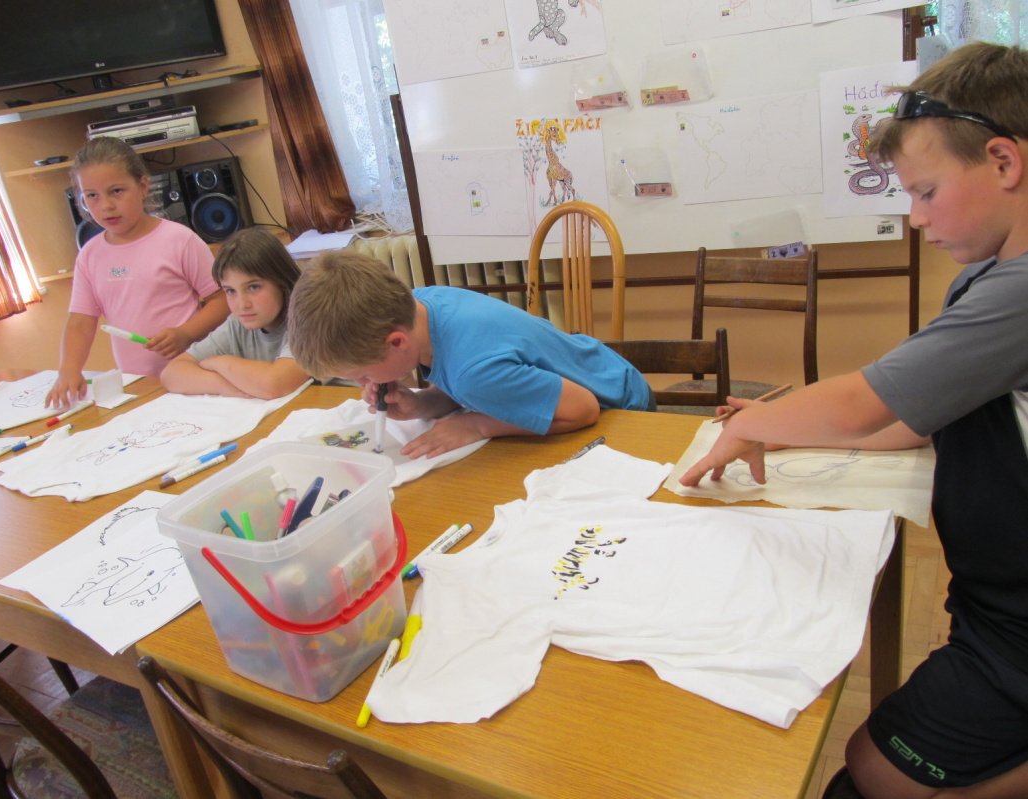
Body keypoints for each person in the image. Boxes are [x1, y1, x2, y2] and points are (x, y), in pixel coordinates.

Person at [682, 42, 1028, 799]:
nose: (915, 218)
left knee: (868, 769)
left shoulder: (1020, 291)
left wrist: (753, 429)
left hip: (1016, 626)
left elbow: (861, 404)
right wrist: (781, 422)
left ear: (1003, 161)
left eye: (926, 191)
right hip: (990, 601)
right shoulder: (987, 273)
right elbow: (918, 410)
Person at [287, 250, 654, 458]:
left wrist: (476, 425)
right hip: (598, 370)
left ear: (397, 343)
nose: (365, 385)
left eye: (363, 375)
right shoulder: (422, 304)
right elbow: (467, 382)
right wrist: (421, 405)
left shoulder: (474, 372)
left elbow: (584, 410)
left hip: (624, 412)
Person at [45, 137, 229, 407]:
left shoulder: (180, 240)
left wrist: (186, 333)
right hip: (138, 385)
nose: (106, 206)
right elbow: (80, 322)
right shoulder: (89, 255)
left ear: (143, 186)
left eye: (116, 191)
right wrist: (69, 370)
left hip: (195, 376)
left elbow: (222, 300)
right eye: (92, 196)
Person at [160, 227, 311, 399]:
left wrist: (220, 363)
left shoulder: (308, 320)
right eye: (230, 291)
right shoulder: (237, 324)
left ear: (282, 282)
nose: (242, 304)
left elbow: (275, 384)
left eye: (254, 287)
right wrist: (222, 385)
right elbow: (171, 374)